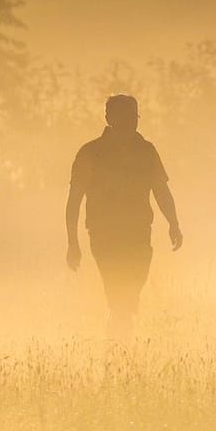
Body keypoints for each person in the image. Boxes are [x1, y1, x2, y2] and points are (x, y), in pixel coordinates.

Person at [65, 94, 182, 338]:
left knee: (131, 292)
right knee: (119, 294)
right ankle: (119, 347)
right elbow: (74, 199)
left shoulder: (146, 151)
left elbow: (161, 190)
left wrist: (174, 223)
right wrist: (73, 242)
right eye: (124, 116)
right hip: (104, 235)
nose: (131, 122)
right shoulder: (90, 153)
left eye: (134, 116)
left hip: (139, 235)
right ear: (109, 118)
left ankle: (119, 343)